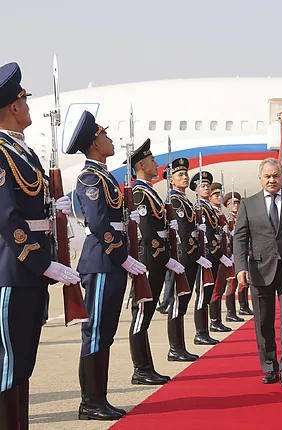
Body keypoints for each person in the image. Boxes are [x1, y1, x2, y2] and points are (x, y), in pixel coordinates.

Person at [0, 62, 80, 428]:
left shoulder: (25, 152)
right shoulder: (1, 153)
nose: (30, 107)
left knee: (24, 366)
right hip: (14, 270)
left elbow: (31, 204)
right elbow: (7, 218)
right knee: (8, 366)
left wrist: (54, 207)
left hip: (30, 273)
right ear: (13, 107)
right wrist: (41, 262)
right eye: (25, 101)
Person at [66, 110, 146, 420]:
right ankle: (91, 402)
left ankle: (99, 397)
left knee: (107, 331)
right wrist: (122, 256)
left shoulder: (104, 176)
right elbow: (99, 223)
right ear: (95, 144)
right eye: (105, 135)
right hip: (102, 261)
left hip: (111, 262)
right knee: (96, 331)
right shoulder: (89, 177)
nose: (110, 139)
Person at [233, 158, 282, 387]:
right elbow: (240, 238)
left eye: (275, 176)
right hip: (259, 269)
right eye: (267, 176)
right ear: (260, 178)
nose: (271, 179)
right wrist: (240, 268)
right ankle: (269, 367)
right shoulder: (249, 204)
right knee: (263, 321)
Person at [127, 139, 184, 385]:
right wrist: (164, 257)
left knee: (146, 315)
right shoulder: (138, 192)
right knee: (141, 314)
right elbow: (147, 232)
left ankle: (147, 366)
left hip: (157, 259)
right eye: (152, 160)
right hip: (149, 260)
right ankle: (141, 369)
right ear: (141, 164)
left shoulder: (149, 190)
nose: (156, 163)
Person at [165, 158, 212, 361]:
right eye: (180, 175)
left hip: (190, 258)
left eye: (185, 174)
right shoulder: (174, 200)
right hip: (183, 258)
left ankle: (180, 346)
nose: (185, 177)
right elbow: (184, 235)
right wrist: (196, 256)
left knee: (183, 303)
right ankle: (175, 348)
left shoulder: (184, 201)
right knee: (178, 303)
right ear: (171, 180)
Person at [189, 171, 221, 345]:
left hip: (213, 255)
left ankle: (205, 331)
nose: (207, 188)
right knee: (202, 294)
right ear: (195, 189)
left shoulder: (208, 207)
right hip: (205, 255)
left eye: (208, 185)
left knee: (207, 293)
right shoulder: (198, 207)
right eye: (203, 186)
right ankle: (200, 332)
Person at [209, 183, 234, 332]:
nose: (219, 197)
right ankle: (214, 321)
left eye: (220, 195)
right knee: (216, 290)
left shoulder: (220, 213)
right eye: (216, 195)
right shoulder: (210, 212)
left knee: (221, 288)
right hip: (216, 256)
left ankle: (217, 319)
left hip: (225, 255)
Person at [223, 191, 248, 322]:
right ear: (227, 205)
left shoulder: (241, 218)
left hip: (241, 255)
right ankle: (230, 312)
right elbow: (225, 239)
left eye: (238, 203)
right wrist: (229, 254)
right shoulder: (227, 219)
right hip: (231, 256)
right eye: (232, 203)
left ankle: (243, 306)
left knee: (243, 282)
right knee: (231, 284)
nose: (236, 205)